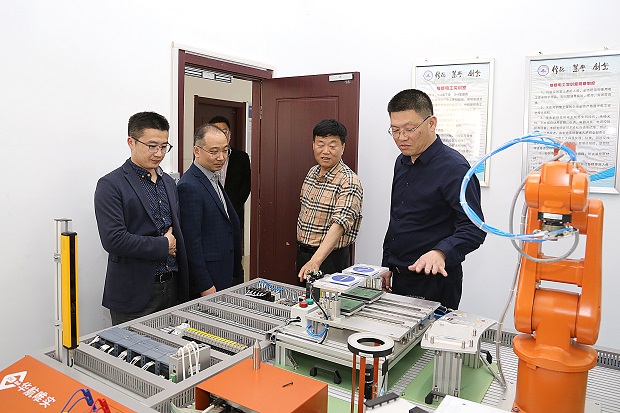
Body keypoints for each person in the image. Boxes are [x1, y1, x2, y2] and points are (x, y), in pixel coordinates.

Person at [381, 89, 486, 310]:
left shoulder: (454, 168)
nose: (401, 137)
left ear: (431, 123)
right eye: (395, 130)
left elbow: (474, 228)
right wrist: (387, 264)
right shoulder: (402, 162)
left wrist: (440, 252)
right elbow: (398, 218)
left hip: (435, 280)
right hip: (400, 274)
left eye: (409, 129)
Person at [94, 111, 189, 325]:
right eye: (152, 146)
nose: (159, 153)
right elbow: (114, 240)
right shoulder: (111, 185)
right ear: (131, 142)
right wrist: (164, 245)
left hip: (172, 287)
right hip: (134, 294)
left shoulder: (168, 183)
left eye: (164, 146)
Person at [177, 124, 243, 296]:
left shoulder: (212, 177)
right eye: (214, 152)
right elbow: (191, 243)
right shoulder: (189, 186)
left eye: (225, 151)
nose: (221, 157)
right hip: (210, 280)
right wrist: (204, 285)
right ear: (196, 151)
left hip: (226, 271)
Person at [297, 119, 363, 281]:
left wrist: (315, 261)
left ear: (343, 148)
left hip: (329, 259)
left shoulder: (349, 181)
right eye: (320, 144)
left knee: (328, 298)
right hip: (305, 255)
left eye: (332, 146)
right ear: (313, 145)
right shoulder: (312, 172)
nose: (325, 151)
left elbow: (340, 224)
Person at [208, 116, 251, 231]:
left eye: (224, 131)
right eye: (216, 132)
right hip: (209, 216)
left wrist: (231, 209)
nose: (221, 135)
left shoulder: (242, 158)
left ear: (230, 135)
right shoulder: (204, 157)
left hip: (234, 214)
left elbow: (246, 187)